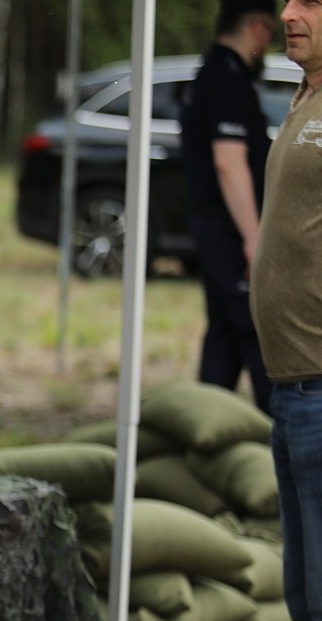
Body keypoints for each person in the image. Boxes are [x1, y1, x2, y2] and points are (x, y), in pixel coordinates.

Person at [246, 1, 322, 621]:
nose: (287, 13)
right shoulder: (303, 98)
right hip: (291, 389)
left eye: (308, 2)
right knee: (308, 602)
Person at [179, 0, 278, 414]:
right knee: (259, 339)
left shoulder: (209, 74)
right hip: (231, 230)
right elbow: (229, 161)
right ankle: (280, 440)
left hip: (214, 226)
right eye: (270, 34)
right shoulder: (227, 81)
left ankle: (206, 438)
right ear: (257, 27)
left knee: (223, 337)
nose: (269, 46)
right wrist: (254, 239)